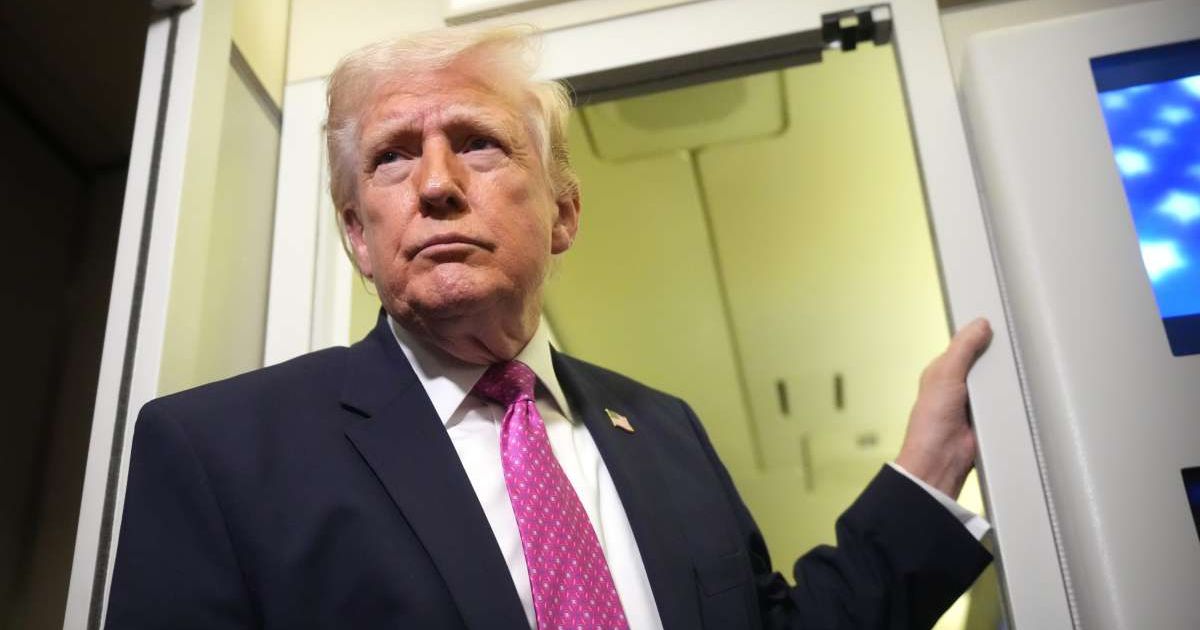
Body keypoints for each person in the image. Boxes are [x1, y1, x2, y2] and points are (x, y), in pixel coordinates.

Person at [106, 26, 993, 629]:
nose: (437, 183)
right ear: (356, 236)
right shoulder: (220, 451)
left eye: (478, 142)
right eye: (393, 156)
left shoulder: (667, 432)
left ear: (564, 213)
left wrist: (928, 473)